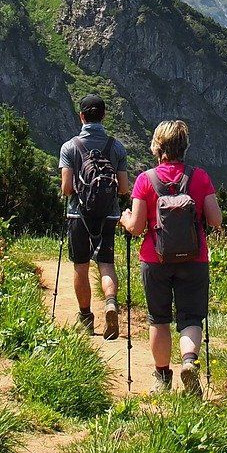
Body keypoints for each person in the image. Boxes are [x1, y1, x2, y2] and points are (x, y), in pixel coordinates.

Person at [122, 119, 223, 397]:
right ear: (184, 146)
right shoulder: (199, 177)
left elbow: (137, 227)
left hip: (155, 260)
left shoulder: (145, 180)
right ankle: (189, 361)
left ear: (157, 147)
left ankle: (162, 378)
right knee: (191, 318)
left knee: (159, 319)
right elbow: (216, 220)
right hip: (194, 258)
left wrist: (125, 218)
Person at [58, 96, 131, 338]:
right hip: (108, 215)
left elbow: (66, 188)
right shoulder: (116, 147)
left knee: (81, 266)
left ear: (81, 116)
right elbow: (123, 188)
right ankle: (110, 303)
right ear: (104, 116)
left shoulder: (69, 147)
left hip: (78, 215)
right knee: (106, 264)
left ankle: (86, 317)